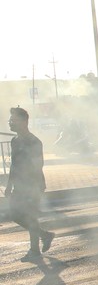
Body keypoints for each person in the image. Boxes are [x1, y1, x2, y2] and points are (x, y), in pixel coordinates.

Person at [4, 107, 54, 260]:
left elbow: (38, 165)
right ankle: (44, 235)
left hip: (33, 184)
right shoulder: (15, 140)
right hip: (19, 185)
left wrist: (33, 186)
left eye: (13, 120)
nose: (10, 123)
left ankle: (34, 250)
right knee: (15, 214)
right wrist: (9, 185)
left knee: (31, 216)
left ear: (24, 122)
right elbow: (14, 164)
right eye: (9, 120)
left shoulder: (34, 141)